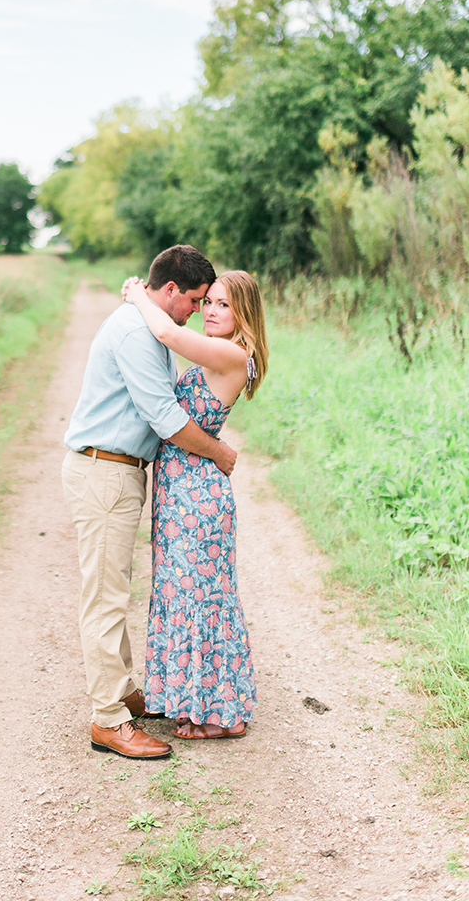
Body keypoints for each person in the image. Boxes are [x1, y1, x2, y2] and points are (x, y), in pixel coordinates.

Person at [62, 245, 238, 760]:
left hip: (116, 471)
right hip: (105, 471)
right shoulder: (142, 330)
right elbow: (163, 415)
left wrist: (138, 298)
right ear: (169, 292)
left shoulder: (145, 320)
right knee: (105, 597)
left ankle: (122, 692)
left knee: (113, 589)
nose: (197, 312)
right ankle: (108, 720)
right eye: (195, 300)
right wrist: (220, 454)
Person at [122, 269, 268, 740]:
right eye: (208, 302)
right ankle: (190, 699)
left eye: (223, 304)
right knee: (180, 594)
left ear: (242, 313)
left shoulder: (232, 354)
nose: (210, 310)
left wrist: (137, 294)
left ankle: (223, 715)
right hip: (179, 493)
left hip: (199, 496)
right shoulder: (216, 354)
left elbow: (165, 330)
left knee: (201, 598)